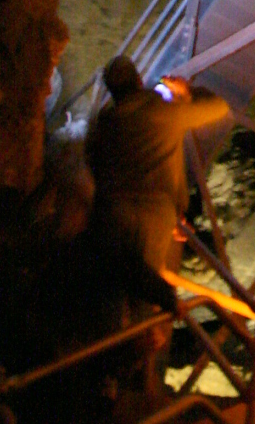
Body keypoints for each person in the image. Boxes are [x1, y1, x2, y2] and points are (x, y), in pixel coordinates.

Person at [85, 56, 231, 310]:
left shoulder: (105, 124)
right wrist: (188, 93)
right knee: (144, 293)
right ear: (139, 80)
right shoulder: (163, 113)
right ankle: (138, 341)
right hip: (154, 216)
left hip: (112, 213)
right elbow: (218, 107)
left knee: (111, 292)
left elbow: (95, 165)